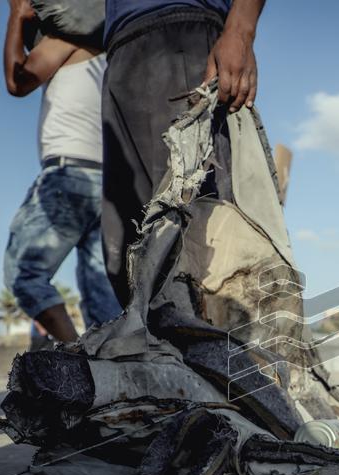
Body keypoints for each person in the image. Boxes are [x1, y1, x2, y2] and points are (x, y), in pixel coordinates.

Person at [101, 0, 265, 305]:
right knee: (124, 252)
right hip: (120, 48)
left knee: (201, 242)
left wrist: (240, 30)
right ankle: (159, 348)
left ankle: (217, 349)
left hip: (180, 30)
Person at [2, 0, 121, 343]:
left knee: (24, 273)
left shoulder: (65, 42)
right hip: (108, 184)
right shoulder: (111, 54)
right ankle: (109, 371)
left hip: (70, 176)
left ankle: (74, 356)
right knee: (103, 297)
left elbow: (16, 80)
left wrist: (16, 14)